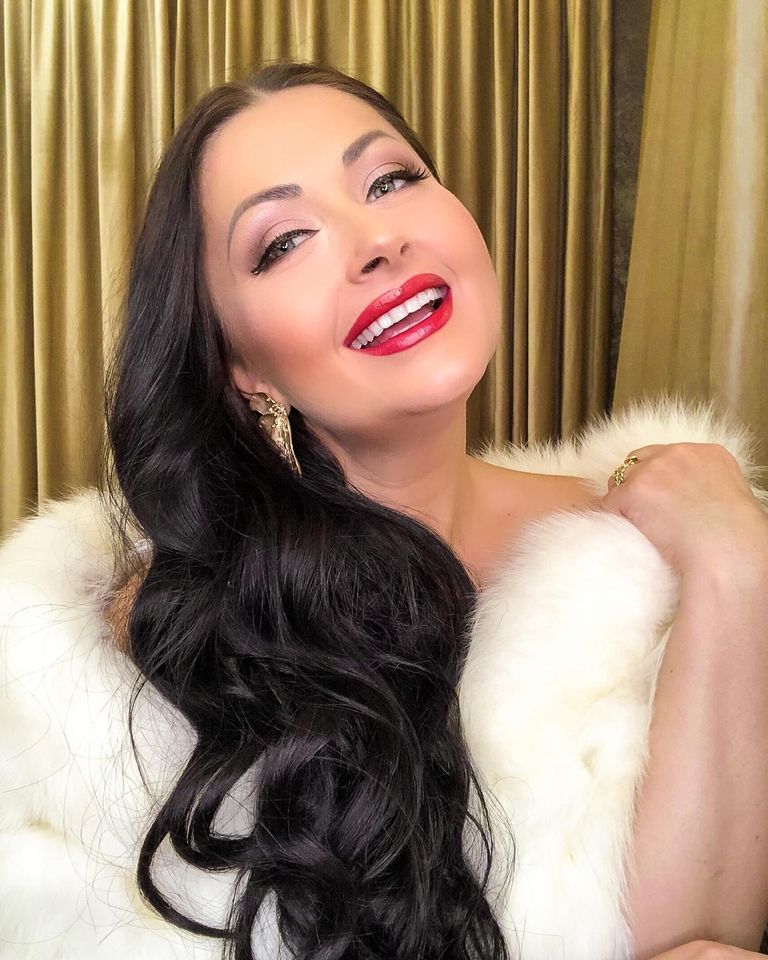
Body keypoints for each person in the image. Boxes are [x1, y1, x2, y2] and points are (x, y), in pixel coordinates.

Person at [1, 59, 768, 960]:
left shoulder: (666, 549)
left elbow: (693, 935)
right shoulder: (120, 655)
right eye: (285, 241)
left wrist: (736, 566)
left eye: (392, 180)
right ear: (241, 367)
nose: (377, 240)